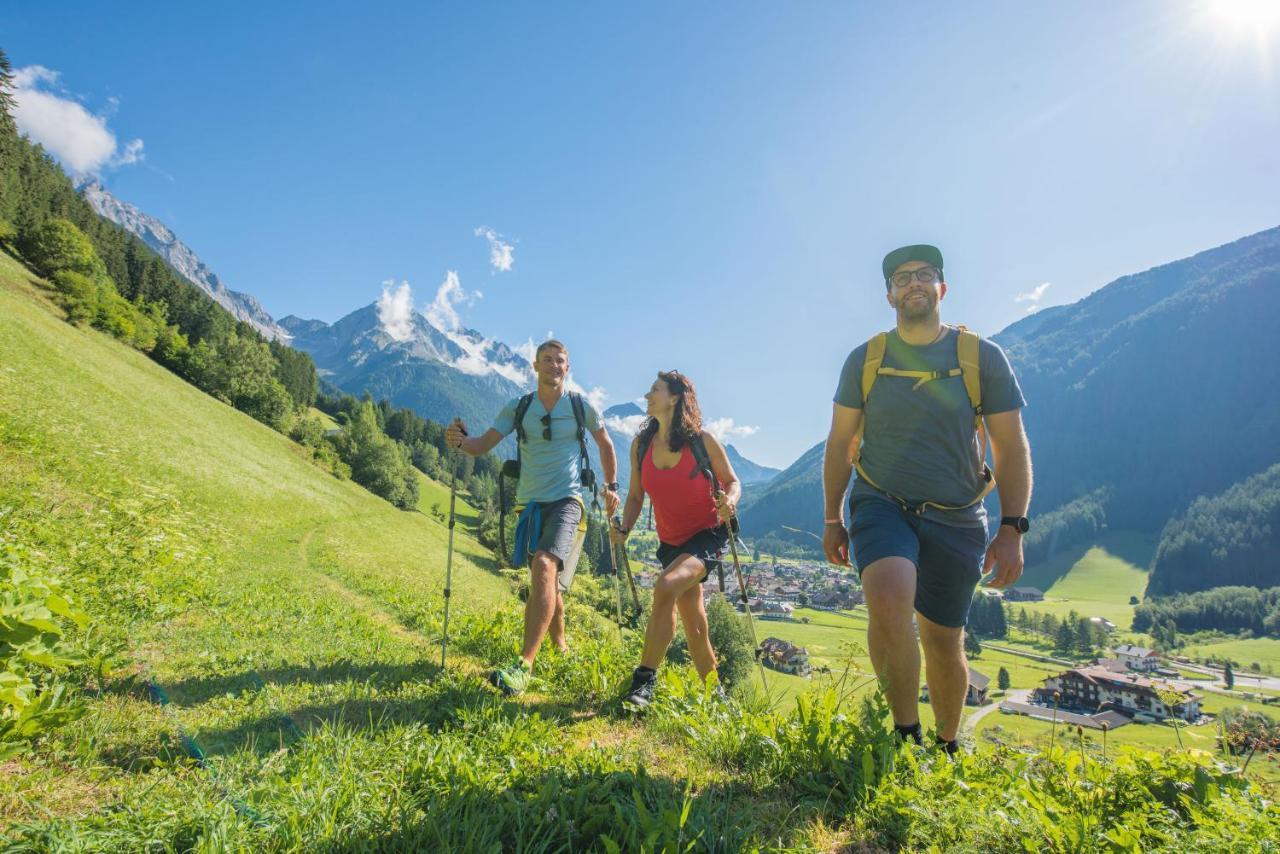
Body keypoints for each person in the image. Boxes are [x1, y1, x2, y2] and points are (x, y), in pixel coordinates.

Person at [821, 244, 1033, 753]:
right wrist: (832, 516)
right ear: (889, 295)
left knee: (943, 639)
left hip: (958, 515)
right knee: (889, 598)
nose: (913, 283)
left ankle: (946, 744)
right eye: (901, 277)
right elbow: (839, 442)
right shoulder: (866, 360)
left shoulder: (981, 358)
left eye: (925, 274)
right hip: (880, 500)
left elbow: (1010, 445)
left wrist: (1012, 527)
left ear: (942, 288)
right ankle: (904, 734)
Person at [447, 339, 619, 695]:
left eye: (560, 361)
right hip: (529, 505)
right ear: (535, 366)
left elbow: (605, 444)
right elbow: (482, 445)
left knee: (543, 565)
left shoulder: (579, 407)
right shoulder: (520, 407)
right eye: (547, 360)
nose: (554, 366)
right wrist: (460, 441)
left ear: (567, 368)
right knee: (549, 580)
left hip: (568, 501)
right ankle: (560, 646)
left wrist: (612, 485)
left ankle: (524, 665)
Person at [609, 371, 740, 709]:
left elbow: (732, 482)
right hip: (671, 542)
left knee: (666, 586)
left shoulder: (703, 441)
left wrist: (731, 501)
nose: (647, 394)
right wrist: (624, 528)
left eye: (655, 389)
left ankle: (643, 682)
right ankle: (718, 700)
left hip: (707, 536)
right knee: (695, 626)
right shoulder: (641, 446)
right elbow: (636, 496)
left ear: (674, 398)